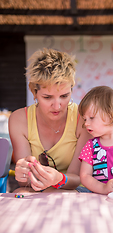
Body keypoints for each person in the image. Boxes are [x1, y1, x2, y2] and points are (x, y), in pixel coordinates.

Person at [9, 48, 91, 193]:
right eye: (47, 97)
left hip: (75, 189)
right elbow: (25, 184)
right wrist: (24, 174)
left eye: (64, 96)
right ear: (34, 91)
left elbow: (77, 178)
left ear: (72, 89)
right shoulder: (19, 120)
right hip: (37, 188)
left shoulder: (83, 119)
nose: (57, 106)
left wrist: (58, 179)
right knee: (19, 193)